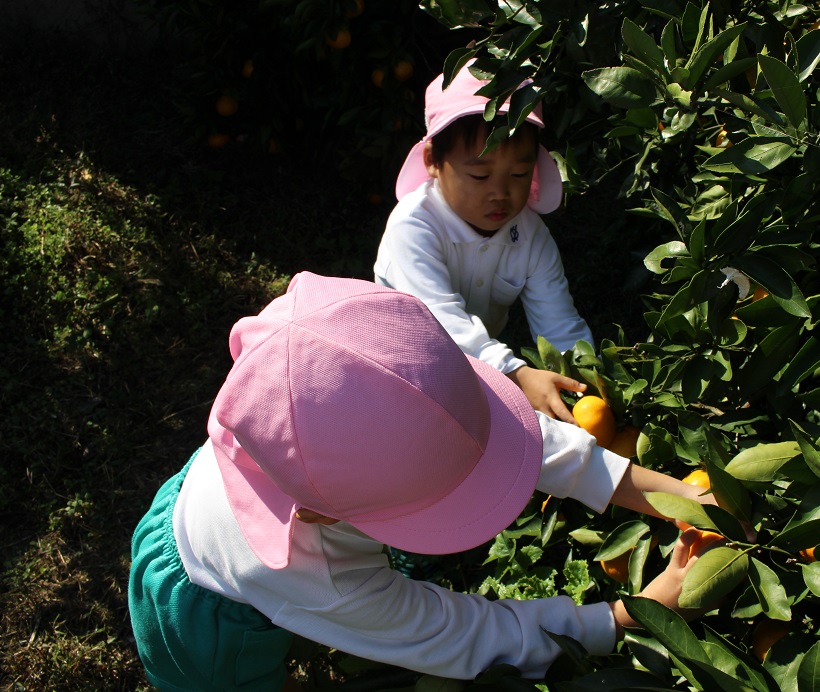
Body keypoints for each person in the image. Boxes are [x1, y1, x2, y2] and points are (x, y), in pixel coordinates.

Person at [128, 273, 721, 690]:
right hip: (206, 614)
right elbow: (465, 636)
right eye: (441, 500)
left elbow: (509, 434)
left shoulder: (382, 371)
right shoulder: (323, 577)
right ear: (325, 514)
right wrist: (630, 615)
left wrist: (677, 495)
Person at [374, 60, 591, 424]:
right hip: (399, 366)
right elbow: (440, 322)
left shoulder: (530, 235)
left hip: (479, 367)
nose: (500, 193)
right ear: (432, 161)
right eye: (479, 175)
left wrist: (586, 381)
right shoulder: (413, 228)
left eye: (519, 174)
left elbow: (558, 324)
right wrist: (515, 374)